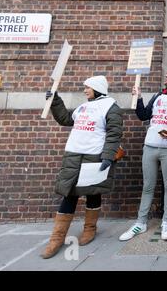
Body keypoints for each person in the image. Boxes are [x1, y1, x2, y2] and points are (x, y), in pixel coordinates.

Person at [42, 75, 123, 259]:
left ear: (97, 88)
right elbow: (65, 119)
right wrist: (55, 100)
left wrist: (108, 157)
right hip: (73, 156)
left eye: (87, 87)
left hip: (94, 157)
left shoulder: (111, 107)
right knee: (69, 194)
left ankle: (90, 229)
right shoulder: (83, 106)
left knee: (93, 193)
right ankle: (56, 239)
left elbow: (114, 134)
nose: (84, 90)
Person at [119, 67, 167, 241]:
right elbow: (143, 115)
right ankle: (141, 223)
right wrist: (138, 98)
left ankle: (166, 223)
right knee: (148, 186)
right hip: (150, 146)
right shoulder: (158, 96)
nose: (166, 75)